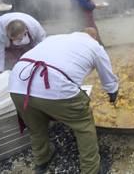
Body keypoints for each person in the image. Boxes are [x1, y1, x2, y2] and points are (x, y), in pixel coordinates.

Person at [9, 28, 119, 174]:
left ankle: (42, 159)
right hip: (55, 87)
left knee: (35, 127)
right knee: (84, 127)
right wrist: (112, 93)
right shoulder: (95, 46)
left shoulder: (54, 37)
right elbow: (107, 77)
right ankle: (91, 169)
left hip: (17, 84)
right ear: (95, 38)